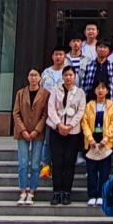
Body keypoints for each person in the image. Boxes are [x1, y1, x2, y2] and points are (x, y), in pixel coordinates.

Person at [46, 65, 86, 206]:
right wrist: (59, 125)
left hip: (72, 132)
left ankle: (66, 192)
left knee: (69, 162)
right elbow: (51, 109)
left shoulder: (80, 93)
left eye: (71, 75)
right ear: (62, 77)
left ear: (75, 77)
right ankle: (56, 192)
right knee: (57, 162)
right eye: (66, 75)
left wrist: (70, 126)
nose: (68, 77)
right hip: (56, 131)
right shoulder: (55, 90)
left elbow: (81, 111)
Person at [12, 67, 48, 205]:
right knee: (23, 163)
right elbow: (16, 113)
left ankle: (32, 191)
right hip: (22, 132)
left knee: (35, 164)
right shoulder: (21, 93)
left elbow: (45, 114)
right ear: (28, 77)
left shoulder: (45, 94)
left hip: (37, 133)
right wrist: (23, 130)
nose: (33, 78)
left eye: (36, 75)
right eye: (31, 75)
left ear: (40, 78)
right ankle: (22, 191)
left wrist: (37, 130)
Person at [81, 80, 113, 206]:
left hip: (105, 143)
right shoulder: (89, 105)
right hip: (91, 142)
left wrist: (106, 138)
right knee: (91, 171)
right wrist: (90, 139)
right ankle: (92, 195)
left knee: (104, 172)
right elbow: (84, 123)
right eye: (98, 88)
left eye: (103, 88)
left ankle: (102, 196)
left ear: (107, 90)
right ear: (94, 90)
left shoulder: (112, 105)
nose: (100, 90)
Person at [38, 47, 67, 179]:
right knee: (47, 141)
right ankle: (45, 167)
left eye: (61, 54)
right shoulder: (46, 73)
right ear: (52, 56)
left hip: (64, 112)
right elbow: (41, 90)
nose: (58, 57)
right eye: (56, 54)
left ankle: (60, 167)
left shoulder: (68, 72)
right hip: (48, 111)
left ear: (65, 56)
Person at [82, 40, 113, 104]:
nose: (102, 49)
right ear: (96, 49)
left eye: (105, 47)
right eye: (100, 47)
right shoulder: (89, 65)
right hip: (91, 102)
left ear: (108, 50)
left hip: (108, 103)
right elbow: (84, 85)